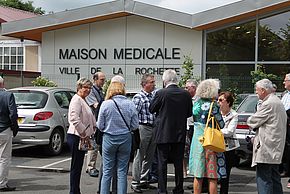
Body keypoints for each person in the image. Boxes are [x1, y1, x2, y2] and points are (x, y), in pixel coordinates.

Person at [149, 69, 192, 194]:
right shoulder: (185, 94)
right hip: (179, 132)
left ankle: (162, 189)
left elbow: (151, 108)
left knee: (162, 162)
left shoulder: (161, 93)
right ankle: (179, 188)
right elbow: (189, 113)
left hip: (163, 132)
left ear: (164, 80)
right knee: (178, 162)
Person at [97, 82, 139, 194]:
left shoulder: (106, 104)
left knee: (107, 171)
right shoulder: (130, 104)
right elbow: (135, 125)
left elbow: (100, 126)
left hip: (109, 138)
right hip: (125, 138)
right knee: (122, 171)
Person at [247, 79, 287, 194]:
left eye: (257, 90)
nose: (256, 93)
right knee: (274, 178)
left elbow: (253, 121)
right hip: (275, 148)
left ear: (263, 90)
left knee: (264, 180)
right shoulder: (277, 101)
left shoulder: (268, 103)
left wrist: (250, 120)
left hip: (266, 148)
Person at [188, 78, 225, 194]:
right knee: (212, 176)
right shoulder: (213, 105)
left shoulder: (196, 104)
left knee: (198, 175)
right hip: (210, 142)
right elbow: (221, 124)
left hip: (197, 140)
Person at [67, 78, 96, 194]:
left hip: (81, 136)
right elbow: (74, 118)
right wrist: (83, 133)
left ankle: (76, 190)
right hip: (77, 136)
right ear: (79, 87)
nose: (88, 90)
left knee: (78, 166)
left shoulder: (83, 99)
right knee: (76, 166)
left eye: (90, 88)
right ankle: (74, 191)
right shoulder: (77, 100)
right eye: (86, 87)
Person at [131, 74, 156, 193]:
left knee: (150, 156)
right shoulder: (139, 97)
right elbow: (134, 114)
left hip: (153, 127)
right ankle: (135, 182)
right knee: (140, 155)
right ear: (144, 84)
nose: (154, 84)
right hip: (143, 128)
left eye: (153, 82)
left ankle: (144, 180)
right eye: (151, 82)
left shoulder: (154, 96)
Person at [218, 91, 240, 194]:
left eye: (221, 100)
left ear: (228, 102)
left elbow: (230, 131)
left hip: (228, 148)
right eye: (218, 100)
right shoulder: (216, 113)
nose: (219, 102)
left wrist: (216, 131)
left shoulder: (234, 115)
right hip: (216, 146)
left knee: (225, 174)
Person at [85, 72, 106, 177]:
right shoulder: (91, 91)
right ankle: (90, 167)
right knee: (93, 145)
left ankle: (91, 166)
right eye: (101, 79)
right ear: (95, 79)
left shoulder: (100, 91)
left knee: (96, 144)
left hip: (98, 121)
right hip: (93, 121)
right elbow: (95, 105)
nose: (103, 82)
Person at [0, 76, 18, 192]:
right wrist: (14, 128)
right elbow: (13, 114)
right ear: (2, 84)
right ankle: (2, 183)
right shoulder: (8, 95)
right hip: (4, 129)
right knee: (4, 158)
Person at [184, 79, 198, 178]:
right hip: (186, 127)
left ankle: (194, 171)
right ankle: (184, 172)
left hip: (196, 127)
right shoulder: (185, 98)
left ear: (193, 88)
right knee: (184, 150)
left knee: (195, 150)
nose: (185, 89)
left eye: (187, 87)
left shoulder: (199, 99)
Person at [281, 74, 290, 188]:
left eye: (285, 80)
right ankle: (286, 169)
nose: (283, 83)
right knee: (287, 150)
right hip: (284, 126)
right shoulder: (285, 95)